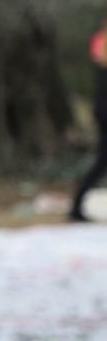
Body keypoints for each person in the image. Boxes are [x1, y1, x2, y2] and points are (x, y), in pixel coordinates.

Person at [69, 19, 107, 222]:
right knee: (101, 161)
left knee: (101, 161)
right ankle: (76, 205)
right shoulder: (102, 45)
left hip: (101, 110)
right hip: (104, 111)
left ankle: (76, 204)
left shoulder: (99, 42)